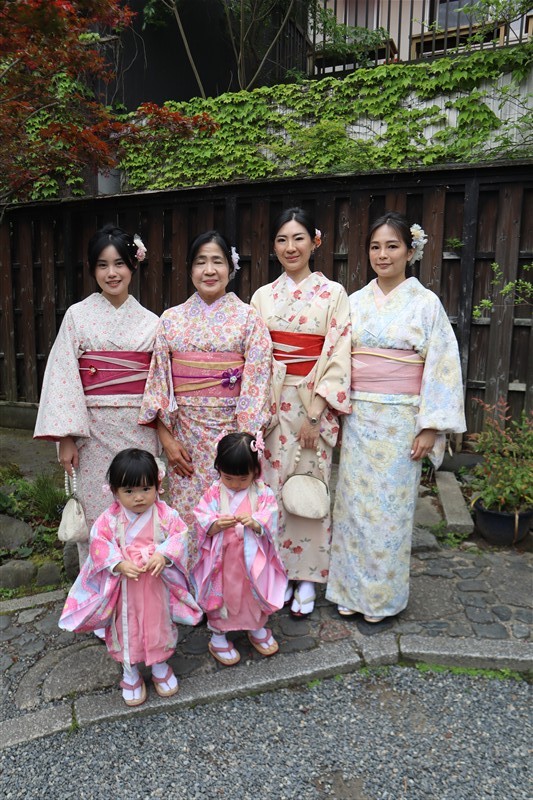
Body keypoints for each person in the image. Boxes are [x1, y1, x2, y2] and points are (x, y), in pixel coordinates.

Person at [326, 211, 466, 631]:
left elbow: (441, 366)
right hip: (360, 414)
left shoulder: (425, 304)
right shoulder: (354, 302)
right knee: (352, 507)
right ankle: (348, 591)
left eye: (392, 246)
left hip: (402, 419)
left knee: (390, 512)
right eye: (375, 247)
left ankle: (381, 596)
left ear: (410, 251)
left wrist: (429, 425)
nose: (382, 254)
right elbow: (337, 359)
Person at [34, 224, 160, 566]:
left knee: (139, 504)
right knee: (96, 509)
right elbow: (63, 377)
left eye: (119, 263)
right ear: (92, 269)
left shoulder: (152, 322)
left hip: (138, 426)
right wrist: (66, 438)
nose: (111, 273)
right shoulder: (77, 316)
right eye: (102, 265)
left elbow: (160, 382)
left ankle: (139, 579)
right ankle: (97, 584)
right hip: (90, 430)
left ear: (133, 266)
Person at [139, 230, 272, 545]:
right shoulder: (171, 319)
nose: (209, 270)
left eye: (217, 261)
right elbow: (159, 383)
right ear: (190, 269)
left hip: (233, 437)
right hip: (185, 440)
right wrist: (167, 440)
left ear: (231, 267)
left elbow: (257, 383)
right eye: (200, 262)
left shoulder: (249, 319)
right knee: (187, 522)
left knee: (232, 522)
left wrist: (244, 445)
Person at [250, 208, 351, 618]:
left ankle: (307, 577)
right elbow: (255, 358)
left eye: (298, 238)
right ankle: (277, 572)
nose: (290, 247)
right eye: (282, 239)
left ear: (315, 241)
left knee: (310, 486)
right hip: (273, 406)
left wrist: (315, 414)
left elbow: (339, 355)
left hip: (312, 405)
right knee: (270, 489)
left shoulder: (334, 294)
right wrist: (258, 412)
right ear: (274, 246)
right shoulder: (262, 296)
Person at [58, 448, 202, 706]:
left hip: (156, 584)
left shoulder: (165, 514)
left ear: (157, 486)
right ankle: (130, 671)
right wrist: (118, 563)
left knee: (158, 623)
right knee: (126, 628)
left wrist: (163, 555)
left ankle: (160, 664)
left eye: (146, 489)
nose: (139, 497)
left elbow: (179, 535)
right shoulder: (110, 519)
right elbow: (99, 544)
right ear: (115, 491)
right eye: (129, 491)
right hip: (124, 588)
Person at [192, 432, 287, 666]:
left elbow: (271, 516)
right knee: (221, 596)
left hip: (252, 561)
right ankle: (218, 636)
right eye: (228, 478)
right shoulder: (214, 493)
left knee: (252, 596)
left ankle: (255, 626)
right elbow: (201, 516)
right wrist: (215, 525)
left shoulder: (262, 493)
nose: (235, 484)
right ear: (219, 470)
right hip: (222, 561)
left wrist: (256, 522)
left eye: (243, 479)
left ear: (256, 470)